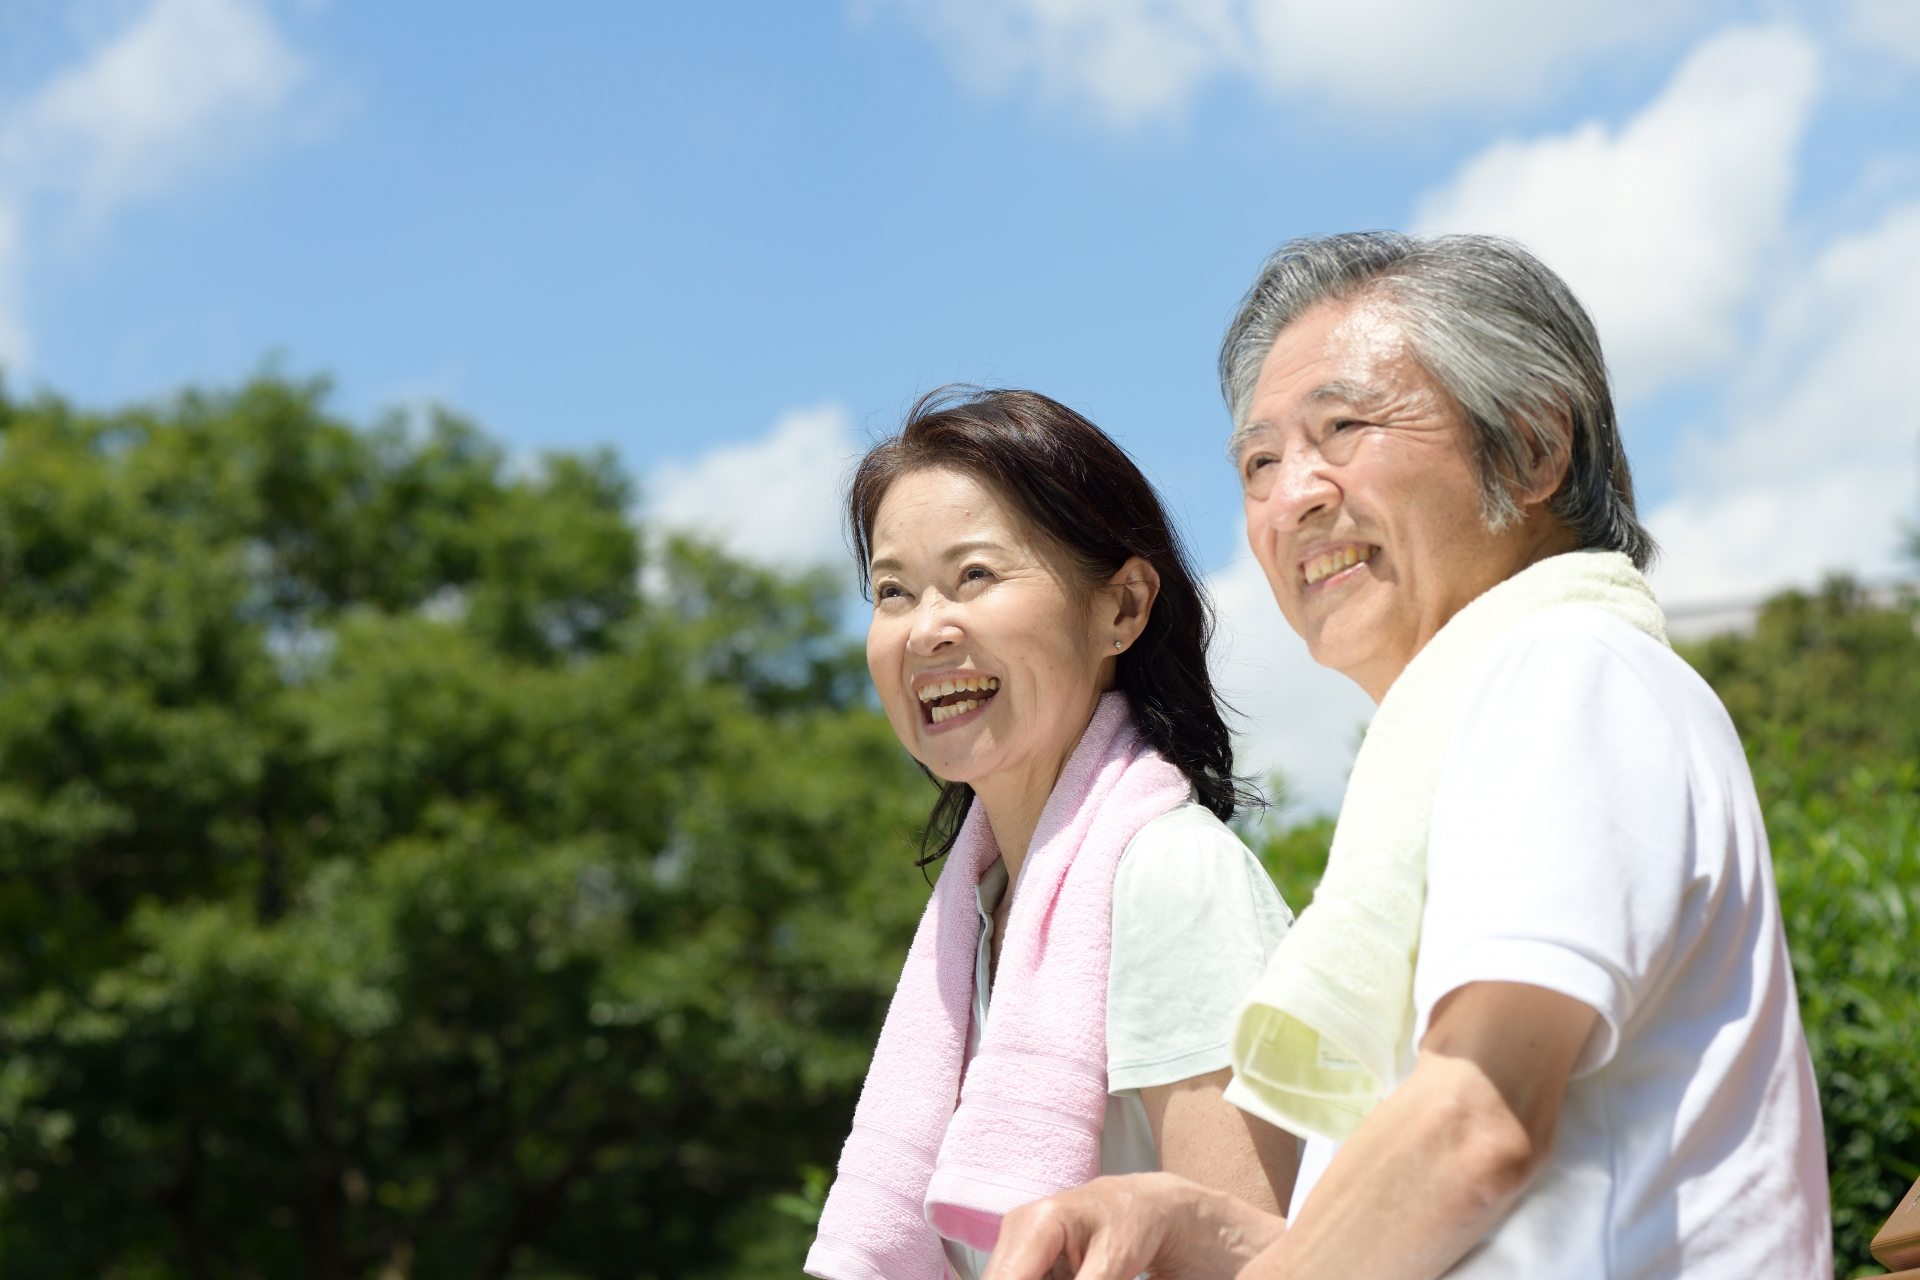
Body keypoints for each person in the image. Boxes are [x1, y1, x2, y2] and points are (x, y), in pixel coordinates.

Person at [982, 233, 1831, 1280]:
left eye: (1343, 427)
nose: (1294, 494)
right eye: (1259, 461)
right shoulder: (1466, 732)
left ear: (1530, 447)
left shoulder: (1567, 669)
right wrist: (1193, 1225)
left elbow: (1475, 1124)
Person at [804, 389, 1300, 1280]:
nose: (927, 629)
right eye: (892, 591)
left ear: (1123, 607)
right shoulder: (981, 916)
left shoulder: (1171, 875)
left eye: (975, 577)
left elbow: (1258, 1252)